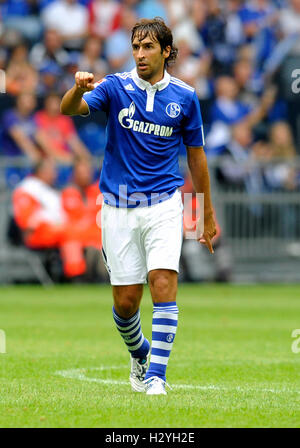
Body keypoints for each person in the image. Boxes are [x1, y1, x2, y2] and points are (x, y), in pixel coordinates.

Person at [60, 17, 216, 395]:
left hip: (164, 203)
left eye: (148, 47)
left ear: (166, 51)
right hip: (117, 206)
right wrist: (77, 89)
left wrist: (204, 215)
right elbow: (69, 110)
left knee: (163, 281)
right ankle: (140, 353)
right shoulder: (115, 87)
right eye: (135, 47)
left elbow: (196, 159)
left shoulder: (185, 97)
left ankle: (157, 377)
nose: (140, 54)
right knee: (126, 302)